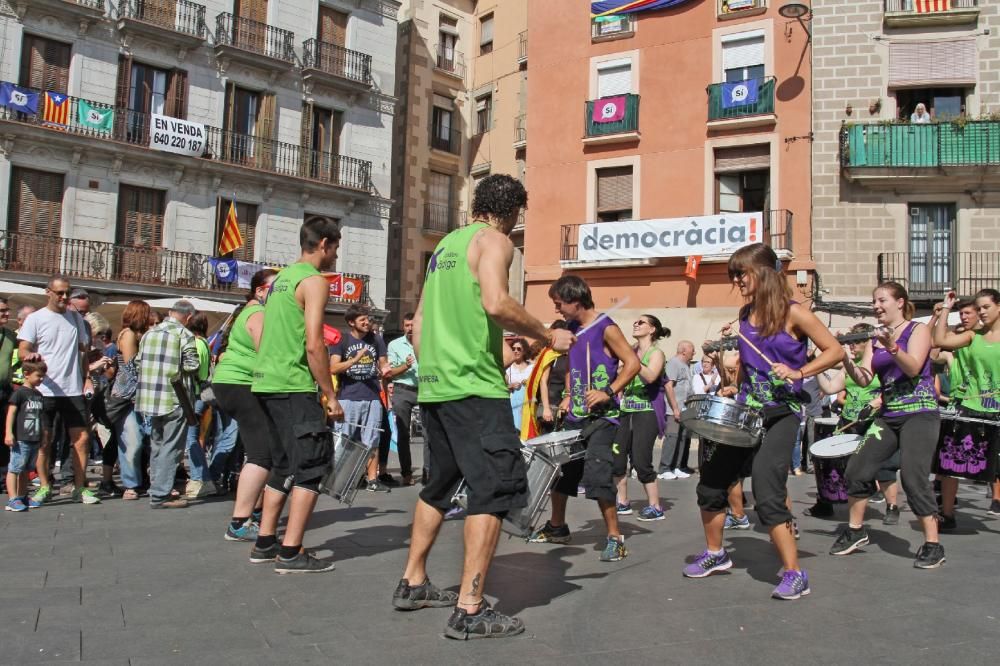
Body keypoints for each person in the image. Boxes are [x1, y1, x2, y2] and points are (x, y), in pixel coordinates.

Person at [393, 174, 574, 639]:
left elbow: (419, 328)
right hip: (475, 390)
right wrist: (545, 333)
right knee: (492, 491)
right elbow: (496, 302)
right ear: (511, 212)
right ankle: (470, 608)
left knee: (439, 486)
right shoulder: (493, 241)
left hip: (436, 388)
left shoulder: (446, 249)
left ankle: (413, 581)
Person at [683, 243, 843, 600]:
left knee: (769, 495)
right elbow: (748, 366)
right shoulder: (743, 316)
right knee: (710, 486)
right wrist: (732, 387)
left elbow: (835, 350)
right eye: (734, 274)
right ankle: (715, 554)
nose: (737, 280)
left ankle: (794, 573)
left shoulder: (795, 313)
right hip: (745, 412)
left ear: (766, 274)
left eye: (742, 273)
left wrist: (800, 370)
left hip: (782, 414)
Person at [250, 216, 344, 574]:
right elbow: (314, 343)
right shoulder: (313, 281)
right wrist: (329, 395)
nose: (335, 255)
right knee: (310, 467)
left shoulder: (282, 279)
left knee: (282, 465)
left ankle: (265, 541)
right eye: (335, 247)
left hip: (267, 382)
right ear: (323, 244)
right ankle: (291, 551)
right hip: (293, 384)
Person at [528, 276, 641, 561]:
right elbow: (571, 367)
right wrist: (567, 393)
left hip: (603, 418)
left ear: (575, 300)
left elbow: (633, 363)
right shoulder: (572, 329)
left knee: (598, 474)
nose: (557, 310)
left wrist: (608, 391)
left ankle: (616, 538)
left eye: (559, 304)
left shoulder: (606, 327)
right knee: (562, 471)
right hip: (576, 414)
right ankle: (557, 527)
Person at [833, 282, 944, 569]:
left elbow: (914, 367)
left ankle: (933, 543)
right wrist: (844, 356)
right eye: (873, 302)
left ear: (899, 302)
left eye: (881, 300)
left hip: (920, 414)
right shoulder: (874, 338)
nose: (876, 306)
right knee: (857, 468)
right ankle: (856, 531)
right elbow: (863, 377)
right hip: (890, 416)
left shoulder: (918, 330)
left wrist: (892, 346)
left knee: (913, 477)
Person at [19, 276, 99, 505]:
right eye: (60, 293)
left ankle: (79, 487)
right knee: (44, 441)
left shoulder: (76, 319)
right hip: (45, 389)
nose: (64, 297)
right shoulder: (36, 319)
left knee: (82, 439)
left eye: (67, 293)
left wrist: (87, 379)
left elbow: (83, 352)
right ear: (49, 293)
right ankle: (45, 486)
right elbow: (22, 348)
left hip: (72, 389)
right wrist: (29, 355)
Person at [212, 268, 278, 541]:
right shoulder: (257, 314)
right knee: (261, 454)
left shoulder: (249, 312)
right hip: (241, 385)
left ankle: (257, 511)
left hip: (235, 384)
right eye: (275, 289)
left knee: (267, 450)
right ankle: (239, 522)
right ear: (260, 291)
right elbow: (269, 352)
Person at [931, 289, 1000, 524]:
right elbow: (940, 341)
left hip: (998, 410)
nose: (981, 312)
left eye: (986, 307)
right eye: (979, 308)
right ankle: (948, 514)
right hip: (970, 406)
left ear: (998, 307)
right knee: (951, 462)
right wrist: (946, 309)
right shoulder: (973, 335)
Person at [810, 324, 888, 520]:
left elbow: (891, 391)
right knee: (835, 462)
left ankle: (887, 503)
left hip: (872, 421)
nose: (851, 347)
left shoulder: (879, 365)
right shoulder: (848, 367)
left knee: (868, 465)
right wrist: (817, 366)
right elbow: (829, 388)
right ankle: (828, 501)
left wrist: (877, 402)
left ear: (868, 344)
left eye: (855, 343)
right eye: (850, 343)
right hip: (848, 420)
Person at [134, 301, 200, 509]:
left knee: (157, 443)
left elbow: (137, 362)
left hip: (150, 397)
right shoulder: (184, 335)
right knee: (171, 447)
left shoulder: (149, 334)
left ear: (171, 313)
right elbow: (192, 365)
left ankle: (157, 488)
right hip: (175, 397)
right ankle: (160, 494)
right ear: (188, 317)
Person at [613, 314, 669, 521]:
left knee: (641, 460)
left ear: (652, 329)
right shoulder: (632, 352)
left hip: (647, 412)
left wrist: (630, 358)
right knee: (617, 459)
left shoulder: (657, 353)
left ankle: (655, 506)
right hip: (626, 410)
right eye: (634, 321)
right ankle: (622, 502)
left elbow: (651, 376)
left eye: (641, 322)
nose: (635, 324)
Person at [330, 305, 390, 492]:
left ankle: (372, 480)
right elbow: (333, 368)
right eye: (362, 319)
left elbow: (384, 365)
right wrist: (355, 360)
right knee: (344, 438)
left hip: (372, 396)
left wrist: (387, 370)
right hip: (348, 397)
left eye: (368, 319)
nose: (367, 322)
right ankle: (338, 480)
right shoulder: (342, 340)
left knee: (372, 439)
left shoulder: (376, 339)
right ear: (351, 322)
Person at [105, 301, 151, 501]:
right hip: (128, 396)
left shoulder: (132, 334)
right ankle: (130, 484)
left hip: (134, 395)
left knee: (137, 439)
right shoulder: (129, 335)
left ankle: (137, 482)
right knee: (132, 440)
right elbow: (132, 367)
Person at [4, 360, 46, 511]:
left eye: (43, 376)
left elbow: (40, 417)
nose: (41, 379)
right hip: (21, 438)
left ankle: (22, 496)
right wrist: (9, 432)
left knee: (26, 470)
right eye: (39, 376)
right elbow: (11, 413)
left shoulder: (39, 395)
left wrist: (43, 436)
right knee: (15, 468)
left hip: (34, 438)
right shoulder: (19, 393)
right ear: (26, 374)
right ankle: (12, 499)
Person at [384, 312, 419, 486]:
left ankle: (429, 472)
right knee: (403, 432)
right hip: (403, 389)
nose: (410, 328)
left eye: (413, 325)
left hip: (426, 389)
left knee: (431, 433)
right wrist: (405, 365)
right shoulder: (394, 345)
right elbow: (389, 371)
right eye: (407, 325)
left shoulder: (427, 342)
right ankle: (406, 472)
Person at [659, 340, 695, 479]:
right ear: (684, 350)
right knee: (672, 437)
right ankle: (664, 468)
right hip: (673, 409)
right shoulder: (674, 363)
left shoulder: (685, 365)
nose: (694, 352)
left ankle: (677, 466)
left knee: (682, 438)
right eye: (692, 349)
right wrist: (675, 408)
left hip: (684, 408)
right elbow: (668, 386)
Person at [535, 320, 569, 435]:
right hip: (550, 405)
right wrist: (546, 408)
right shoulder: (549, 354)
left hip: (565, 406)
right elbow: (543, 382)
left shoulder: (569, 354)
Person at [505, 338, 534, 432]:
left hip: (528, 404)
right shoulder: (507, 368)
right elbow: (500, 387)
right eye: (513, 349)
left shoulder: (531, 367)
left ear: (524, 351)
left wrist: (529, 383)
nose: (515, 351)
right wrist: (510, 386)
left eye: (519, 349)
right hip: (512, 405)